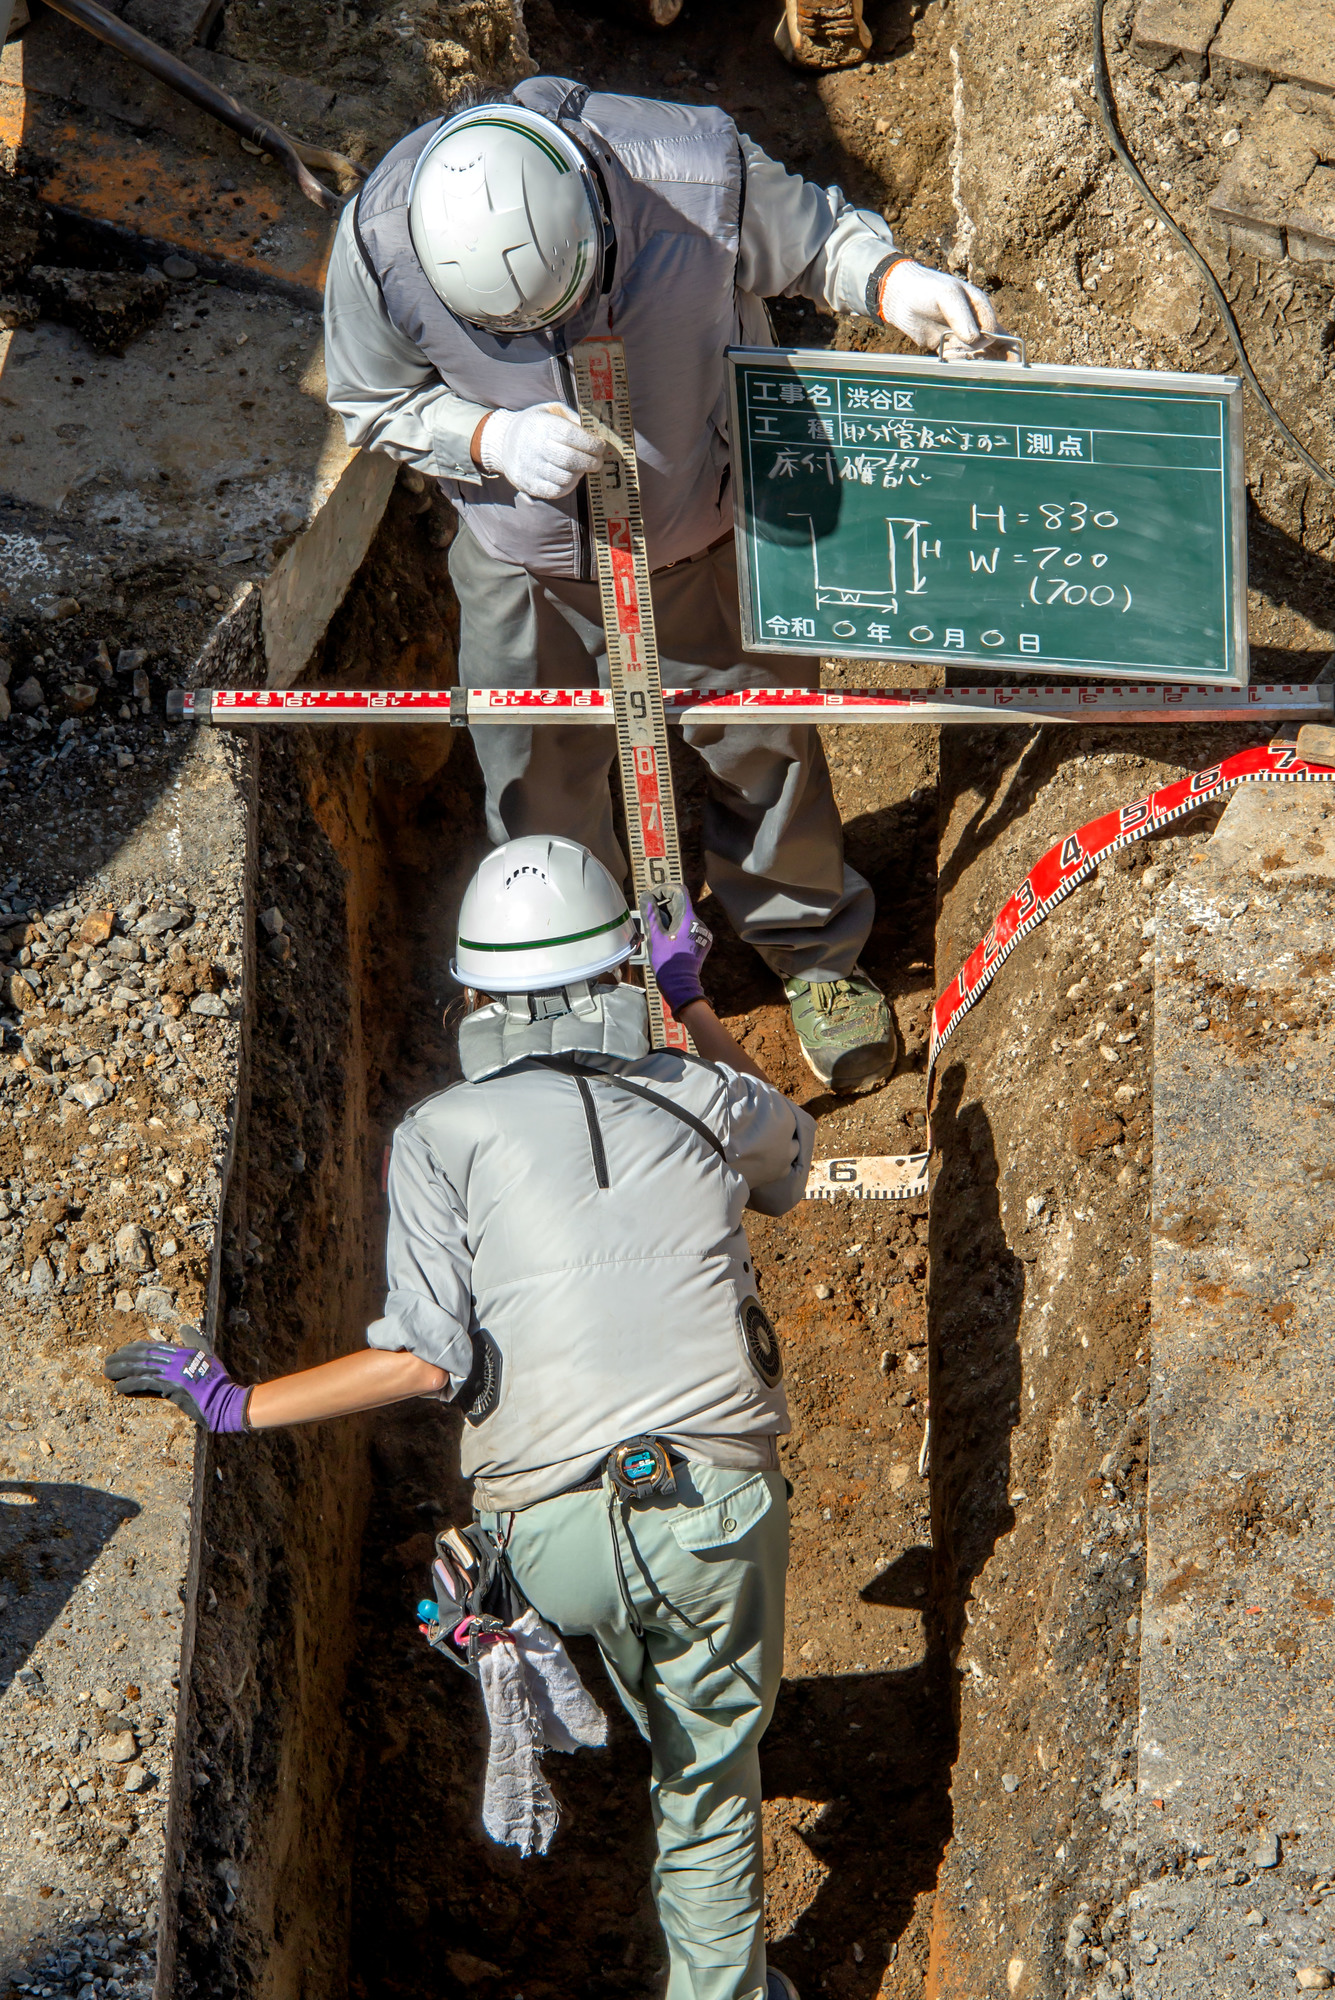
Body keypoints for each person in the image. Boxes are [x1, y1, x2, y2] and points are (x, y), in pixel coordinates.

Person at [104, 834, 817, 2000]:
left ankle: (654, 1690)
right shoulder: (705, 1093)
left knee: (637, 1624)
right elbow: (791, 1158)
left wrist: (238, 1402)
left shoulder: (438, 1134)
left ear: (475, 995)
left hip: (542, 1545)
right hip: (717, 1511)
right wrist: (691, 1004)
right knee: (710, 1790)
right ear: (620, 972)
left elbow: (427, 1361)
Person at [324, 79, 1006, 1095]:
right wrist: (485, 436)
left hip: (703, 531)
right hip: (522, 561)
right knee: (536, 784)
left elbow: (817, 241)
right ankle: (587, 986)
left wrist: (891, 280)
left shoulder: (691, 172)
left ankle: (811, 947)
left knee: (761, 748)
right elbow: (371, 400)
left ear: (595, 216)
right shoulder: (381, 242)